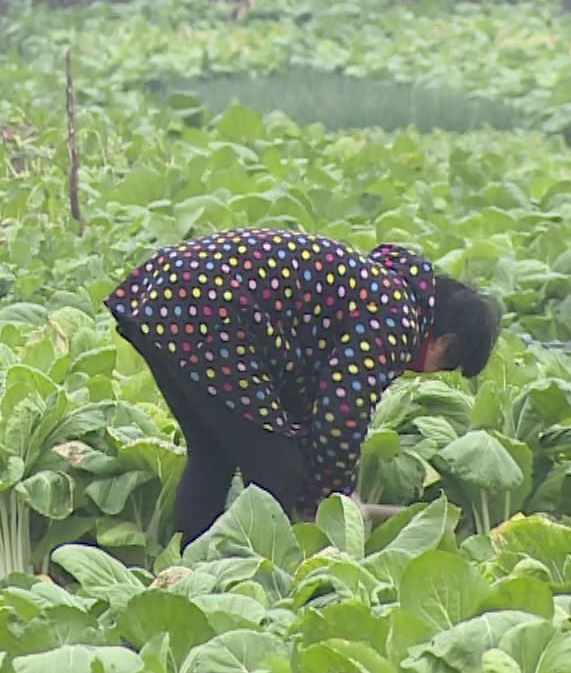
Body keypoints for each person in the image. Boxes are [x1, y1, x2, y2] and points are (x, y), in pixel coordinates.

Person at [104, 227, 501, 544]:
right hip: (209, 309)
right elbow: (340, 410)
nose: (428, 373)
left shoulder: (380, 289)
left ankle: (187, 563)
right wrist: (331, 498)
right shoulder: (397, 317)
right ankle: (243, 571)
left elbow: (306, 396)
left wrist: (331, 487)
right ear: (446, 342)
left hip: (164, 295)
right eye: (445, 364)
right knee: (278, 468)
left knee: (214, 453)